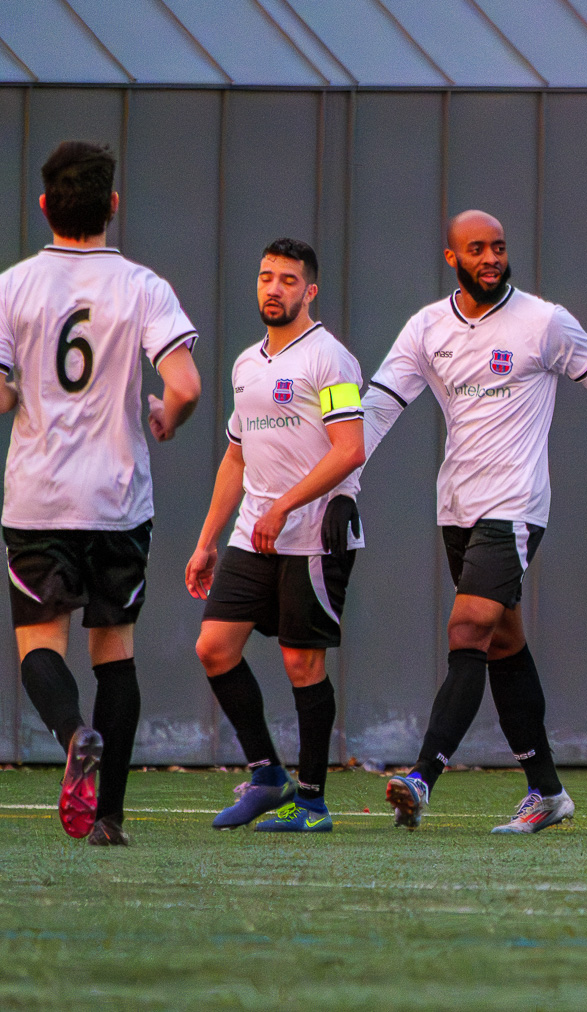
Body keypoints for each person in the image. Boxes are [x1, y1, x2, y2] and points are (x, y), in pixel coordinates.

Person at [363, 209, 587, 835]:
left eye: (499, 248)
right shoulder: (427, 327)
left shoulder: (544, 321)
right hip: (454, 508)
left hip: (515, 507)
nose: (491, 258)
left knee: (469, 627)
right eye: (477, 249)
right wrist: (341, 486)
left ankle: (422, 775)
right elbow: (379, 406)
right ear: (451, 258)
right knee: (504, 643)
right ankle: (547, 793)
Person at [0, 141, 203, 845]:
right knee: (114, 649)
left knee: (38, 644)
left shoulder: (12, 286)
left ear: (46, 205)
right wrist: (164, 418)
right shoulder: (144, 286)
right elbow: (185, 386)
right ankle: (109, 817)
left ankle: (71, 733)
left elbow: (0, 391)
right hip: (118, 499)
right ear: (112, 206)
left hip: (38, 499)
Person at [185, 238, 365, 833]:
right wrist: (207, 540)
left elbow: (350, 450)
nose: (274, 288)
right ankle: (267, 776)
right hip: (250, 535)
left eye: (288, 280)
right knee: (214, 647)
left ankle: (311, 804)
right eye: (266, 277)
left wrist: (285, 507)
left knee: (300, 662)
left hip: (310, 537)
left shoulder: (331, 359)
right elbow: (235, 459)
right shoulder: (245, 364)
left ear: (309, 291)